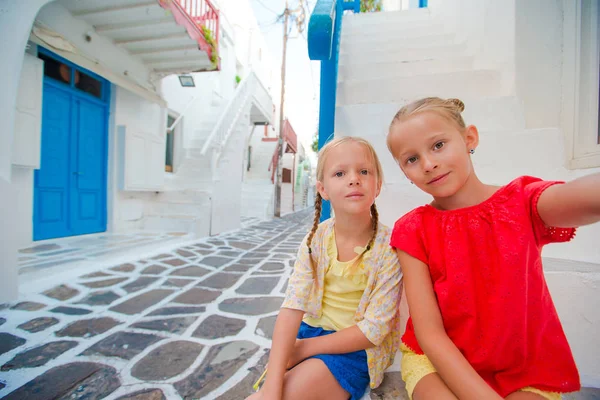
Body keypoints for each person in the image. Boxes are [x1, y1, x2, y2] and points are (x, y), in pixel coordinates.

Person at [386, 96, 600, 400]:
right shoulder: (412, 229)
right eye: (411, 159)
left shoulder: (521, 203)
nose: (429, 164)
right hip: (437, 361)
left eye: (437, 145)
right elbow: (430, 334)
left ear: (468, 138)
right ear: (404, 172)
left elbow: (579, 198)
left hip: (525, 368)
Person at [247, 136, 402, 400]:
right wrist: (272, 384)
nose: (354, 179)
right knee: (265, 395)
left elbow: (374, 330)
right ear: (323, 189)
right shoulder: (315, 239)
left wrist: (303, 349)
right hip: (308, 333)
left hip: (354, 351)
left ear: (377, 185)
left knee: (290, 394)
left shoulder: (389, 248)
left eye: (364, 171)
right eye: (340, 173)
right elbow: (292, 305)